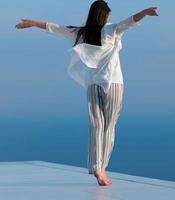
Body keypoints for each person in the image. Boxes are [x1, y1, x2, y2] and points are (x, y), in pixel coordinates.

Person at [15, 0, 158, 186]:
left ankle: (96, 168)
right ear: (104, 15)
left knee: (95, 126)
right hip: (113, 83)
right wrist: (145, 12)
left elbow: (56, 28)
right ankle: (102, 168)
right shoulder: (111, 29)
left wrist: (32, 23)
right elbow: (130, 21)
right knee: (109, 127)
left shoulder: (81, 33)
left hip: (93, 84)